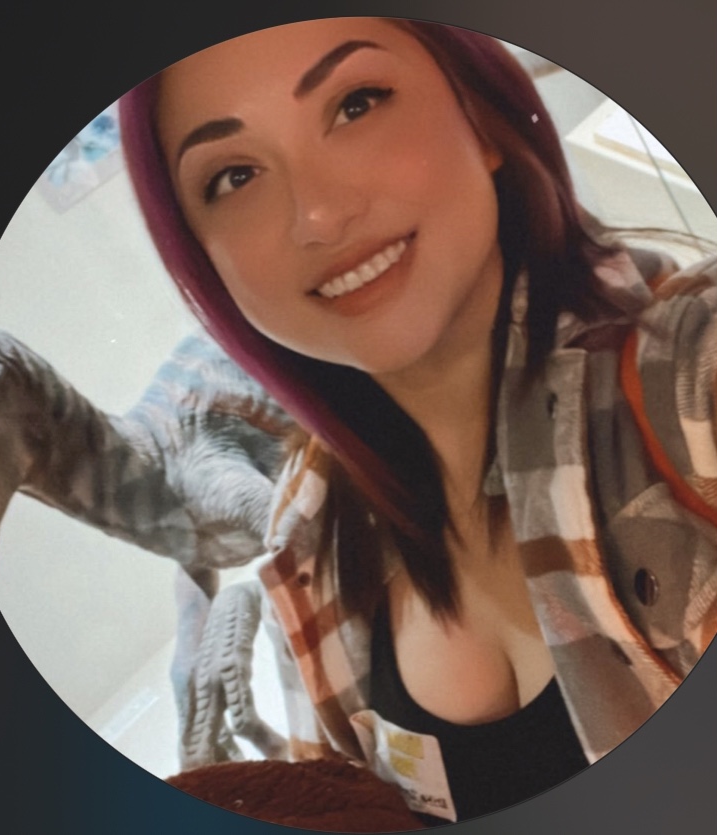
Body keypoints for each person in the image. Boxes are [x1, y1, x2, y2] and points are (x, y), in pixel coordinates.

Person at [118, 17, 717, 824]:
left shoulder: (690, 372)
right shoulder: (304, 548)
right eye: (234, 175)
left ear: (480, 115)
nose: (317, 214)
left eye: (356, 103)